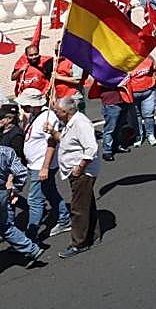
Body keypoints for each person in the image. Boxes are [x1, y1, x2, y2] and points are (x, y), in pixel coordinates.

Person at [47, 94, 100, 257]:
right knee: (87, 202)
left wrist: (80, 167)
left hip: (82, 172)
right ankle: (93, 233)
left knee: (78, 208)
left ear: (65, 111)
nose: (55, 113)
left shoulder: (81, 123)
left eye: (57, 111)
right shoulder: (70, 123)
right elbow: (65, 140)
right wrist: (53, 132)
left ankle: (79, 243)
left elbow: (91, 148)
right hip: (75, 170)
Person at [16, 88, 71, 242]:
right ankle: (64, 218)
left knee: (34, 200)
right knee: (50, 191)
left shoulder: (49, 118)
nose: (23, 108)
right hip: (34, 163)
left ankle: (31, 236)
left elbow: (51, 144)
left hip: (41, 165)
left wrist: (45, 167)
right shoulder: (34, 116)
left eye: (26, 105)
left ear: (34, 105)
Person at [0, 124, 44, 267]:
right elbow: (21, 172)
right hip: (2, 193)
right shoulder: (6, 152)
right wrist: (14, 189)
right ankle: (31, 249)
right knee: (4, 225)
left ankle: (30, 248)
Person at [127, 54, 156, 147]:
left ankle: (150, 135)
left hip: (148, 91)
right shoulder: (126, 62)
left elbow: (154, 69)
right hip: (132, 94)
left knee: (148, 114)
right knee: (136, 116)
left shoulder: (148, 58)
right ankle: (139, 136)